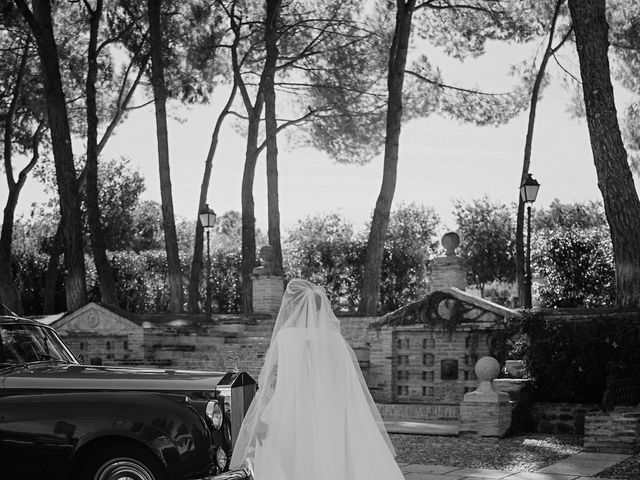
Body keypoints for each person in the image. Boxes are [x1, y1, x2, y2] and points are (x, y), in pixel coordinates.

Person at [230, 279, 405, 480]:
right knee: (331, 458)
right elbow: (345, 382)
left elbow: (271, 382)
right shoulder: (336, 340)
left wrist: (263, 415)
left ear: (293, 306)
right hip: (331, 410)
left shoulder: (286, 337)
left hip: (291, 411)